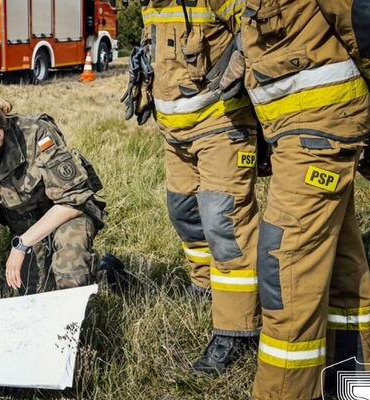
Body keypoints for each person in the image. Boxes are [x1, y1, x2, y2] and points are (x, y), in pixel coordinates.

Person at [240, 0, 370, 398]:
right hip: (298, 127)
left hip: (319, 125)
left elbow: (368, 14)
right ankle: (360, 385)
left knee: (284, 262)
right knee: (336, 255)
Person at [135, 0, 263, 374]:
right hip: (175, 134)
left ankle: (238, 329)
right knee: (184, 212)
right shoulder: (150, 5)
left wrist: (242, 54)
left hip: (222, 125)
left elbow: (258, 26)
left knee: (225, 222)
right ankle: (205, 287)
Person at [0, 94, 106, 328]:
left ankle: (79, 337)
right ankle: (103, 267)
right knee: (35, 296)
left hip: (64, 214)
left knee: (70, 270)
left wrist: (21, 245)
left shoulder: (37, 133)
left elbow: (72, 199)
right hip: (24, 224)